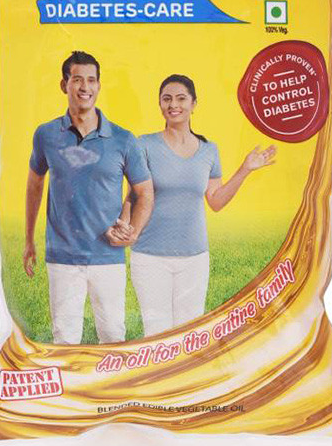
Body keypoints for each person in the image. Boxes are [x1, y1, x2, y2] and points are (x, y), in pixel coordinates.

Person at [115, 74, 276, 337]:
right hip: (150, 256)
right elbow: (134, 195)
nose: (173, 104)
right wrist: (124, 224)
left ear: (193, 103)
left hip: (194, 258)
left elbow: (216, 201)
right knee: (157, 333)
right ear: (159, 103)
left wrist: (245, 169)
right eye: (167, 99)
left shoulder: (209, 150)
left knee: (190, 335)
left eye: (181, 98)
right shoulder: (144, 145)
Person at [24, 51, 154, 344]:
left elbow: (145, 192)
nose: (85, 87)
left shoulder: (123, 139)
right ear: (64, 85)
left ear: (99, 85)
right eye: (77, 79)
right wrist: (29, 240)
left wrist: (132, 232)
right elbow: (34, 186)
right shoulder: (46, 134)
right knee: (64, 338)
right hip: (62, 257)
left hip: (108, 256)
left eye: (92, 80)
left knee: (113, 336)